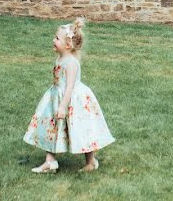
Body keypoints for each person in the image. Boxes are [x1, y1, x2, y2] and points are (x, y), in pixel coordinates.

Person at [23, 18, 114, 173]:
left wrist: (63, 105)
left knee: (81, 128)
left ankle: (91, 161)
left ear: (68, 45)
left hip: (72, 100)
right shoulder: (61, 58)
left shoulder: (71, 63)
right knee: (51, 126)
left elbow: (70, 85)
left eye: (57, 38)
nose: (53, 40)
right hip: (56, 96)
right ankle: (50, 161)